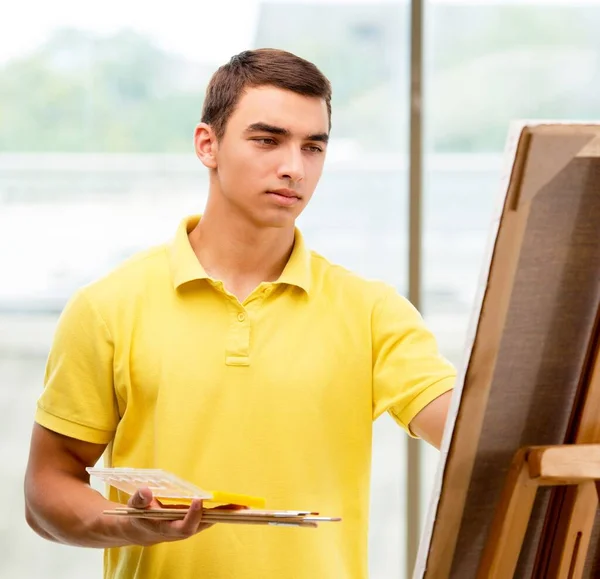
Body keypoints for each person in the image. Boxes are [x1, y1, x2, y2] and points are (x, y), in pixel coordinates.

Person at [24, 48, 456, 579]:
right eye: (267, 140)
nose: (293, 167)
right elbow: (47, 485)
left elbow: (469, 430)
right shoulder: (107, 306)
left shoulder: (372, 311)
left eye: (313, 147)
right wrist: (126, 524)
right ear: (208, 144)